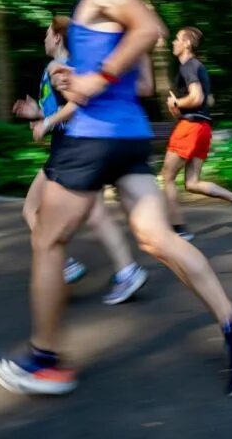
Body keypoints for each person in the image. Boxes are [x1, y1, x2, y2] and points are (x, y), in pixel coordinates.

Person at [0, 0, 232, 397]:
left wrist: (92, 81)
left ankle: (46, 360)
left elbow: (147, 33)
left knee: (49, 239)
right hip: (129, 137)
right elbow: (142, 89)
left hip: (92, 138)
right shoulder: (127, 0)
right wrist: (78, 78)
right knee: (157, 240)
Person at [12, 15, 149, 304]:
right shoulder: (71, 66)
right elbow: (61, 107)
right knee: (96, 213)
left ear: (58, 38)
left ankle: (64, 264)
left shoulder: (56, 67)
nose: (44, 39)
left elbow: (77, 104)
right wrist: (37, 114)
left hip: (69, 149)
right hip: (81, 144)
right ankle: (127, 271)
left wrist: (46, 124)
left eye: (47, 34)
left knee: (31, 209)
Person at [161, 26, 232, 241]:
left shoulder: (189, 66)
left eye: (176, 39)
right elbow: (200, 103)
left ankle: (179, 230)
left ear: (186, 44)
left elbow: (197, 98)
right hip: (202, 128)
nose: (173, 43)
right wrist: (177, 108)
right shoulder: (198, 67)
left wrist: (176, 102)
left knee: (167, 177)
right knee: (192, 182)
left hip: (190, 128)